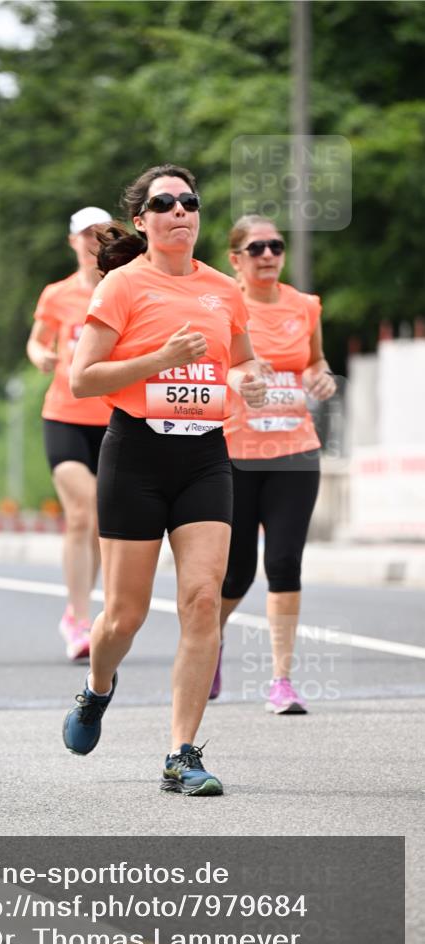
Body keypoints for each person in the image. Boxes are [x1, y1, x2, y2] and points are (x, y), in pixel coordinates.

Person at [61, 165, 267, 796]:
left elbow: (240, 360)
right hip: (137, 455)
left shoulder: (222, 290)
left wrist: (246, 380)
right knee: (124, 617)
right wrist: (159, 360)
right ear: (143, 220)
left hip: (205, 454)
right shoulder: (122, 286)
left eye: (190, 201)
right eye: (165, 203)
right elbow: (82, 379)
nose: (180, 210)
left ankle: (182, 753)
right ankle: (98, 689)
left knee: (202, 599)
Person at [212, 215, 336, 713]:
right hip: (236, 453)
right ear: (236, 258)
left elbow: (314, 361)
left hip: (295, 452)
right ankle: (210, 644)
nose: (268, 255)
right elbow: (209, 368)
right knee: (236, 572)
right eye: (257, 247)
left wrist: (320, 376)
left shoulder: (304, 306)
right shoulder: (222, 305)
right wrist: (240, 378)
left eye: (276, 246)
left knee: (284, 562)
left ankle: (281, 680)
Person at [27, 206, 112, 661]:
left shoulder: (123, 288)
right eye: (85, 235)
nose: (93, 241)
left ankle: (82, 610)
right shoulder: (57, 295)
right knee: (83, 511)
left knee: (100, 520)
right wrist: (40, 354)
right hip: (64, 415)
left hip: (113, 418)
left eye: (101, 234)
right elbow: (37, 339)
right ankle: (78, 619)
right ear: (73, 241)